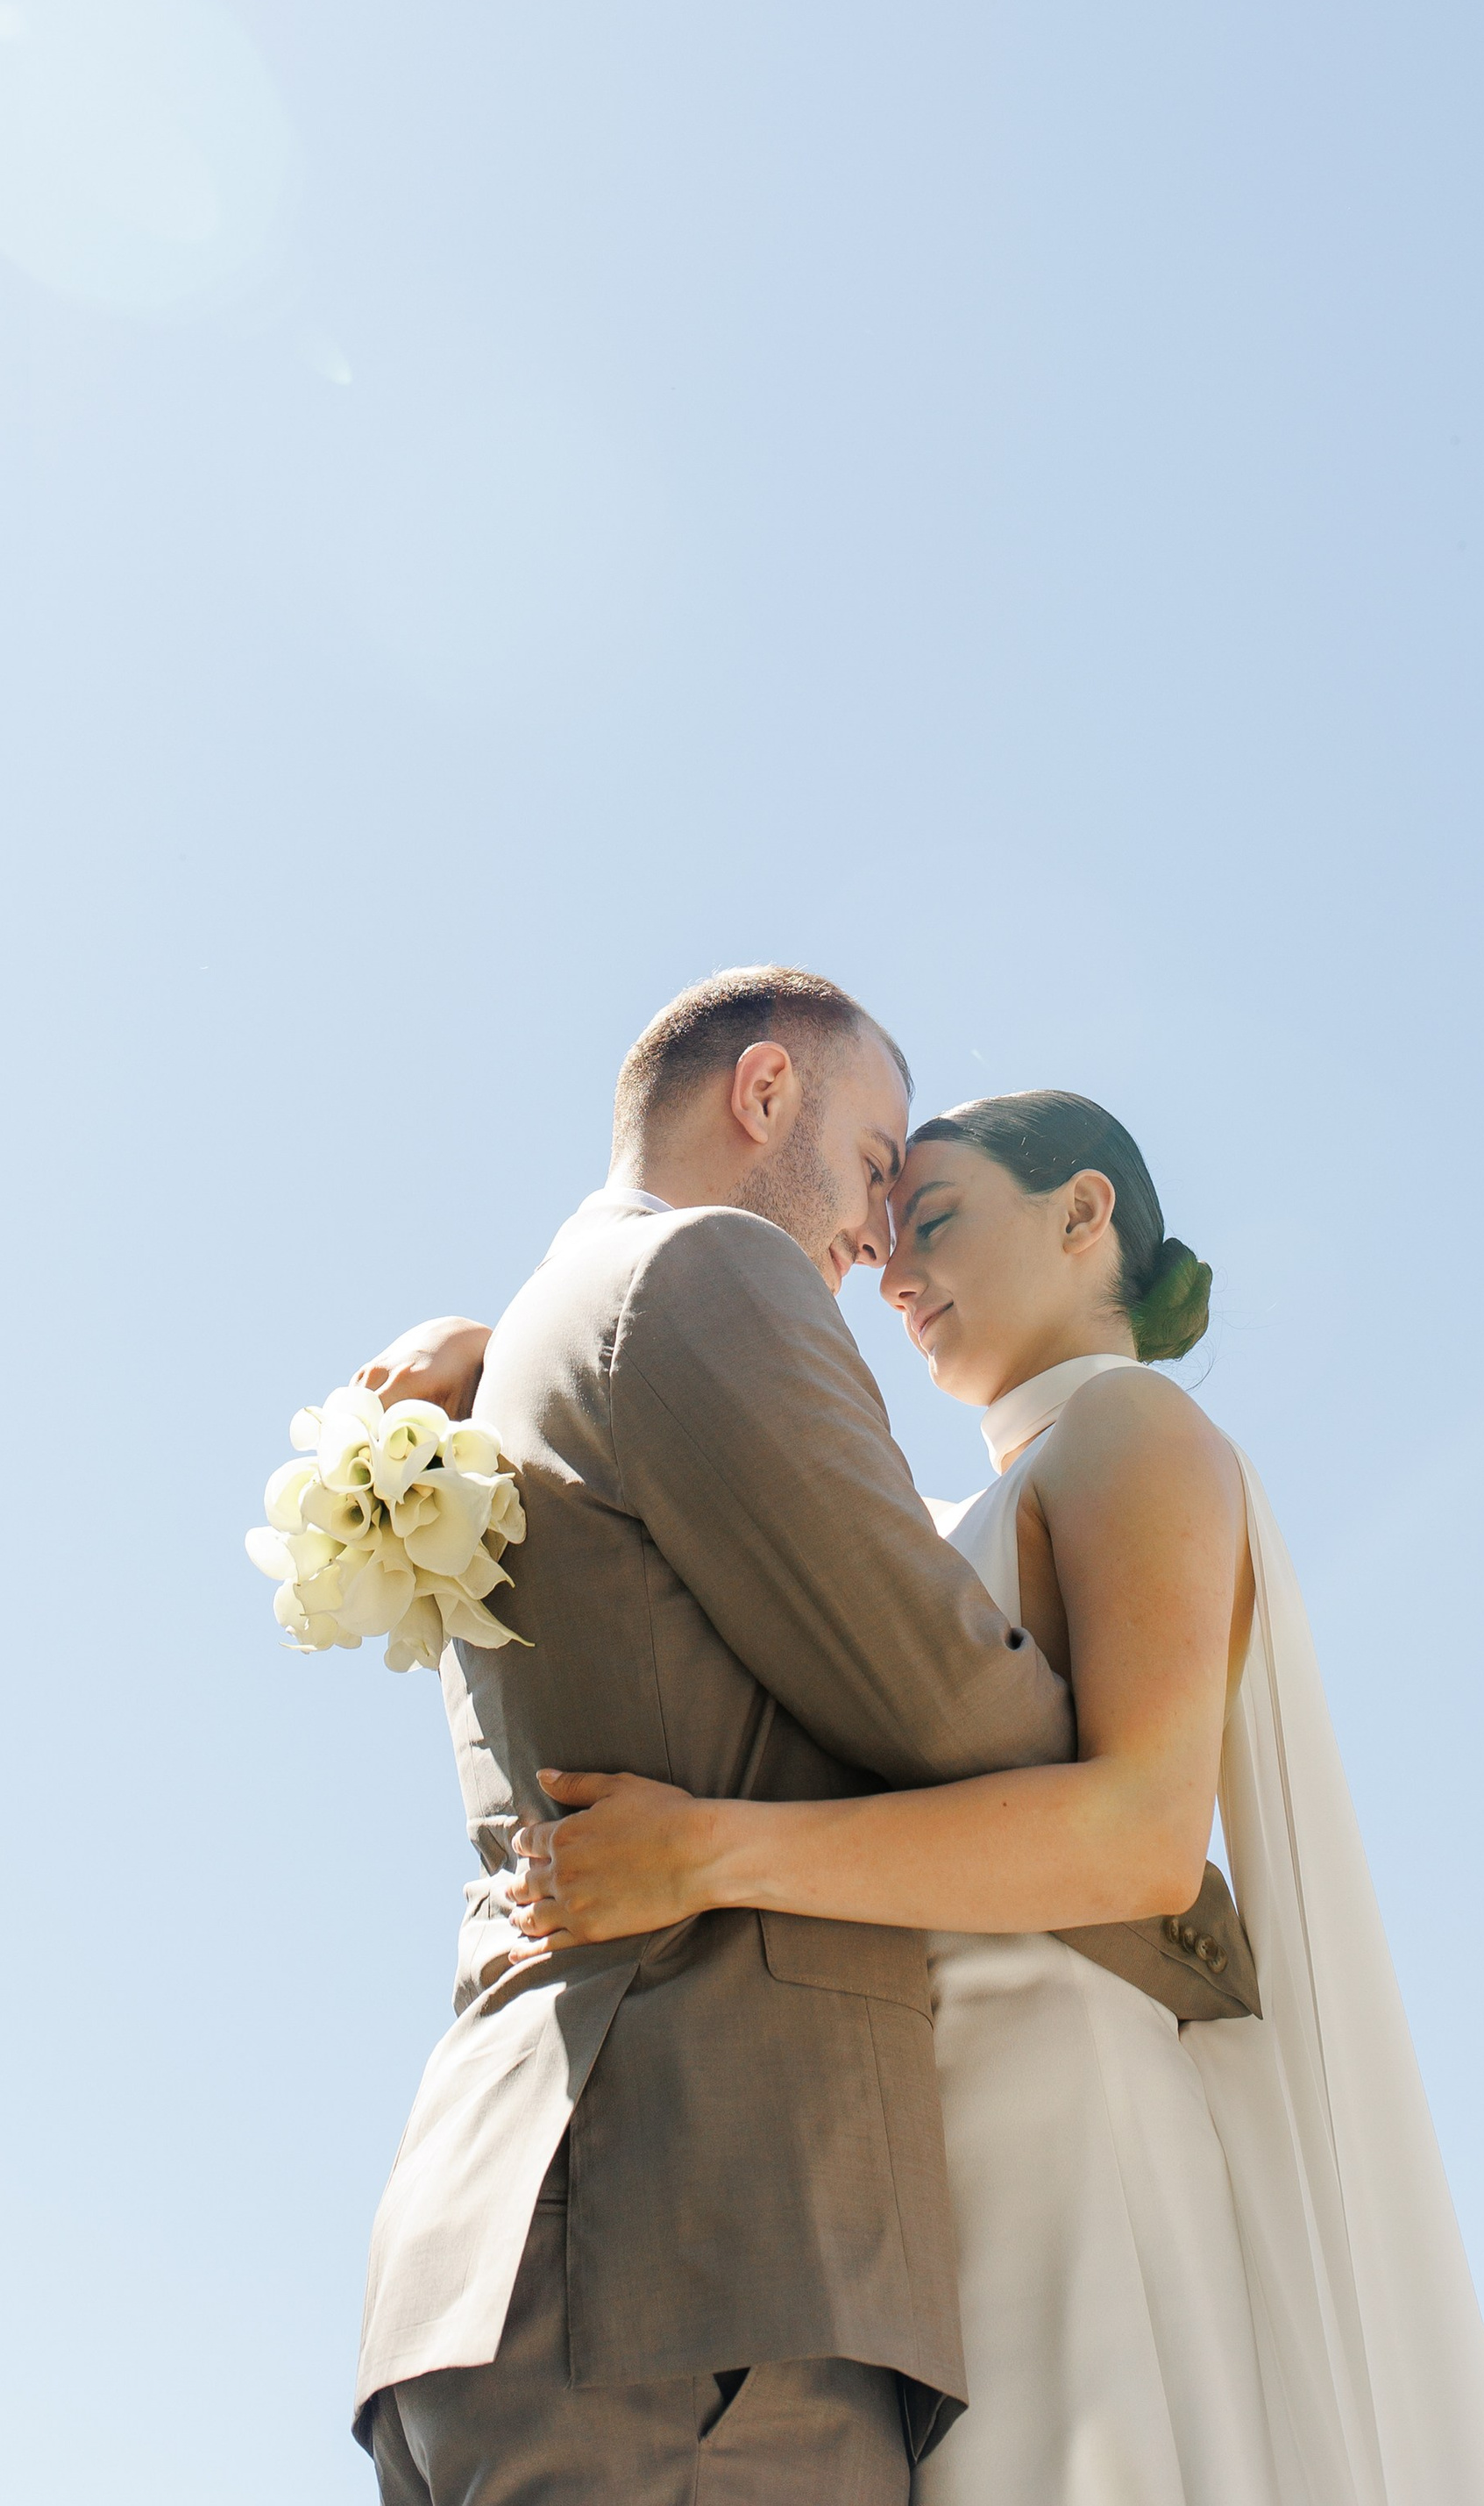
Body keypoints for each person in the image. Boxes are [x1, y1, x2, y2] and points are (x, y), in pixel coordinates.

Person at [485, 1089, 1484, 2506]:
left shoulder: (1135, 1435)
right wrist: (499, 1359)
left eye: (930, 1221)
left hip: (1071, 2124)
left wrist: (712, 1857)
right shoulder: (951, 1513)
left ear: (1082, 1213)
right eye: (890, 1233)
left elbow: (1145, 1838)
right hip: (921, 2153)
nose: (894, 1269)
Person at [350, 968, 1083, 2506]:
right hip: (693, 2279)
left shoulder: (527, 1361)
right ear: (764, 1097)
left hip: (516, 2266)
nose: (881, 1236)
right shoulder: (705, 1274)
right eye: (879, 1166)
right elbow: (965, 1709)